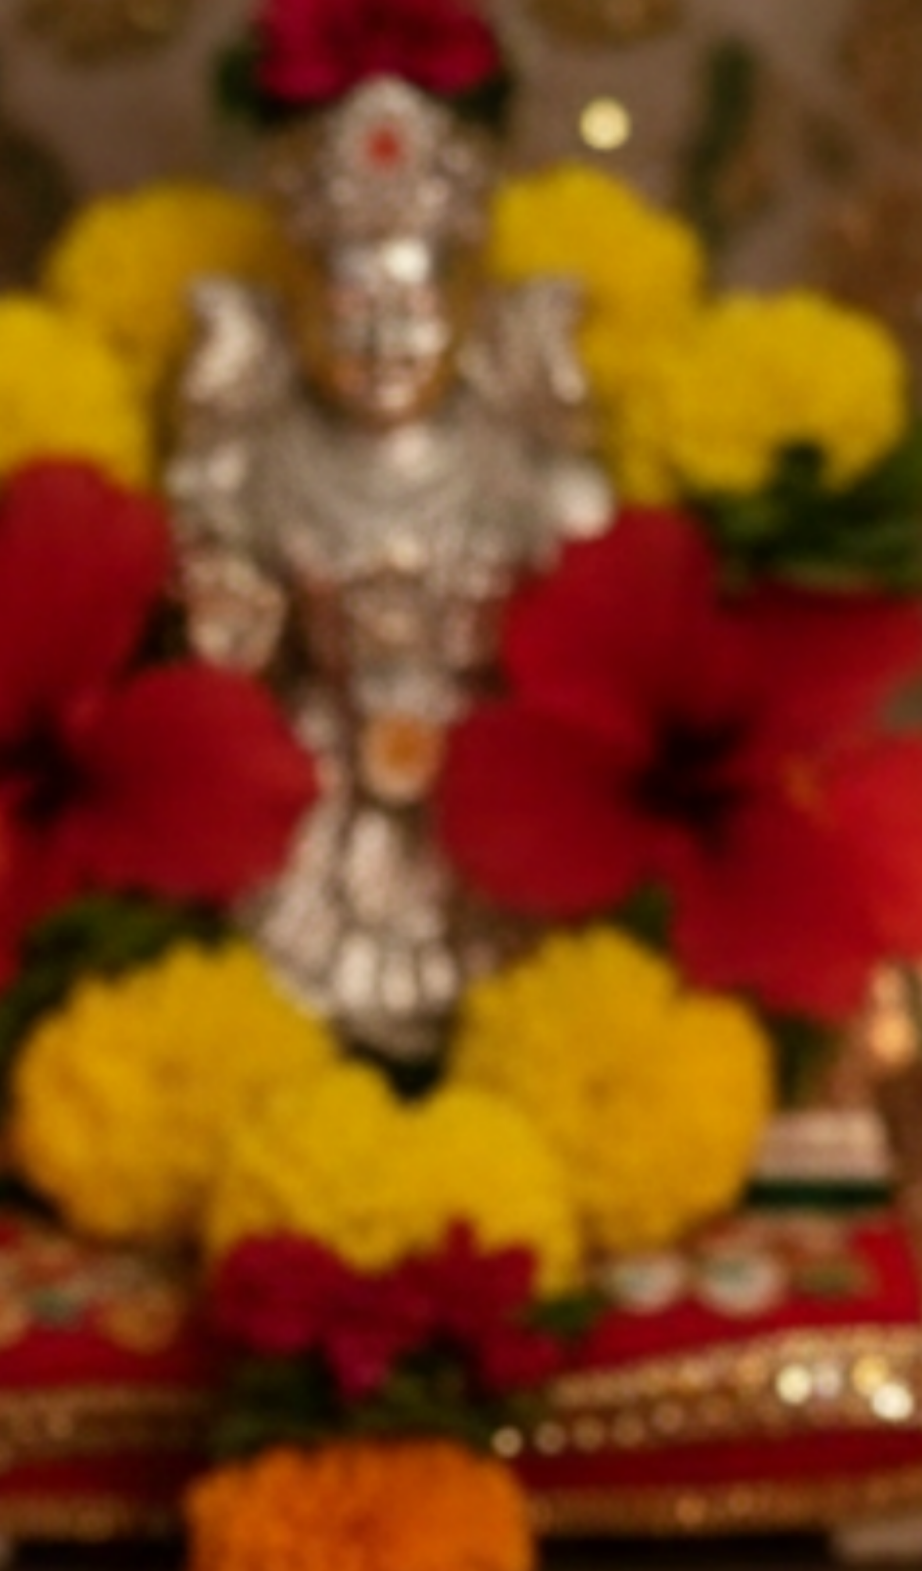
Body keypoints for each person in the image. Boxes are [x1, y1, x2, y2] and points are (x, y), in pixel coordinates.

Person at [166, 74, 611, 1064]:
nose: (381, 344)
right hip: (316, 782)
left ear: (464, 309)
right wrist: (228, 615)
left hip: (486, 792)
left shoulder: (531, 473)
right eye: (350, 308)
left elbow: (595, 662)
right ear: (299, 315)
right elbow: (227, 661)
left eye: (409, 308)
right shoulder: (256, 464)